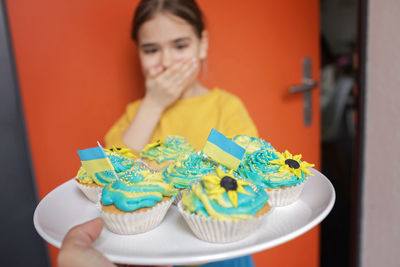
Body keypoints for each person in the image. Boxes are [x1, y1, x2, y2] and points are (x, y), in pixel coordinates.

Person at [62, 0, 257, 266]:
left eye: (180, 46)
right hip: (153, 257)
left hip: (221, 252)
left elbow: (246, 172)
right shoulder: (137, 114)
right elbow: (110, 174)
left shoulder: (227, 107)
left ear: (203, 44)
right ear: (139, 53)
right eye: (152, 50)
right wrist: (153, 104)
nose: (166, 62)